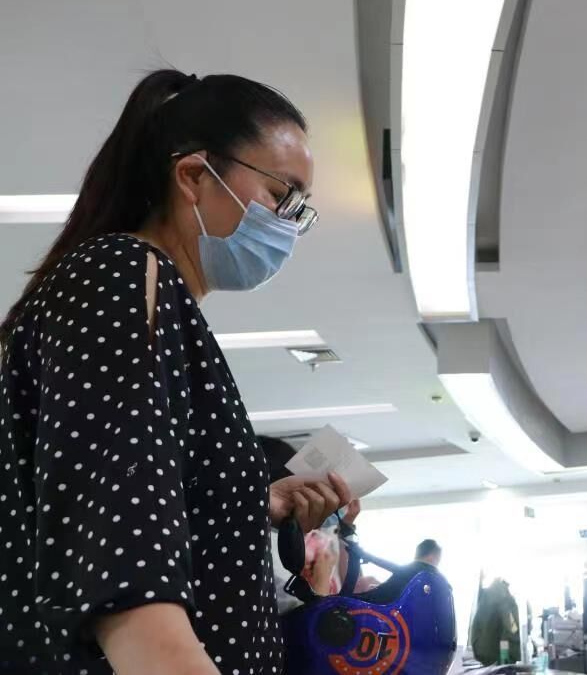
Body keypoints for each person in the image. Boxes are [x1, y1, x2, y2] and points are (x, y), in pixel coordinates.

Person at [0, 69, 352, 674]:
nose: (291, 223)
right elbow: (127, 584)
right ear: (193, 176)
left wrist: (251, 504)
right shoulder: (119, 276)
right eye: (283, 196)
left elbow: (129, 498)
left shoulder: (165, 308)